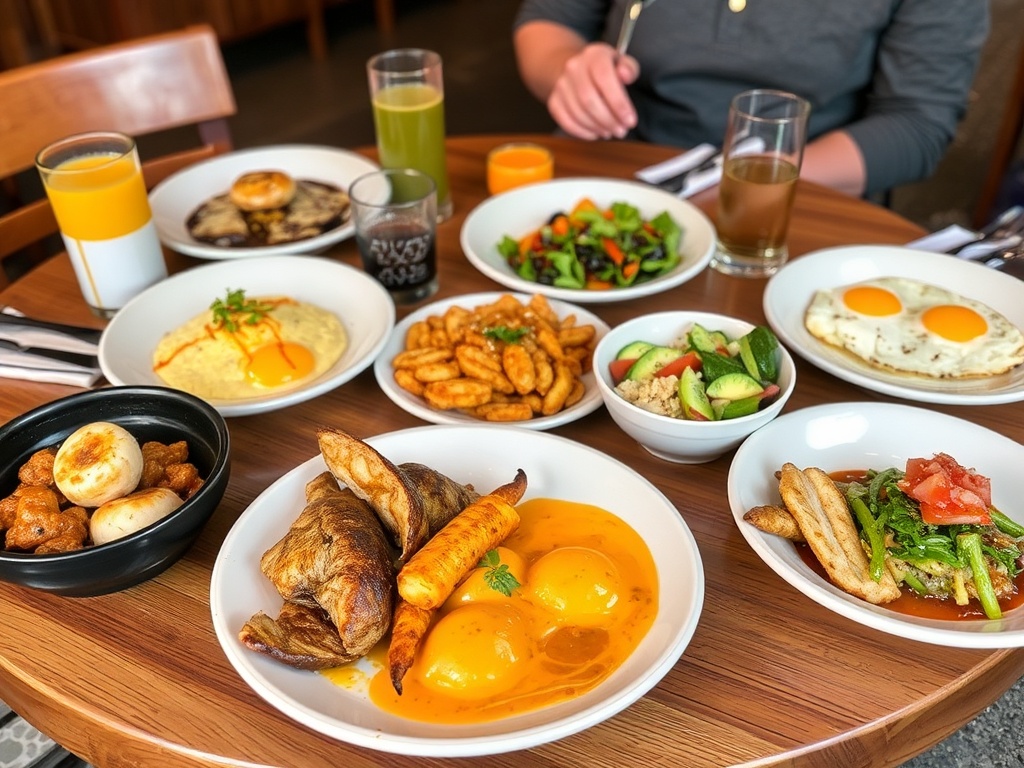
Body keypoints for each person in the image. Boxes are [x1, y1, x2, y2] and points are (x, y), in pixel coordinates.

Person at [513, 1, 989, 197]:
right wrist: (566, 72)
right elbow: (552, 19)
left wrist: (747, 183)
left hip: (793, 195)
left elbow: (917, 124)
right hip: (613, 168)